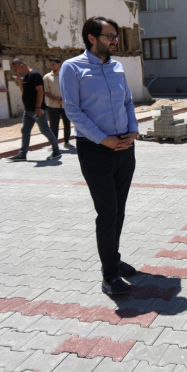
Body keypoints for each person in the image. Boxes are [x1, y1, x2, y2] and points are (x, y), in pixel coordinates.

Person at [60, 16, 139, 296]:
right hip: (95, 149)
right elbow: (73, 110)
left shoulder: (117, 67)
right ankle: (109, 275)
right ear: (92, 38)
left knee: (119, 210)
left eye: (116, 36)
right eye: (110, 36)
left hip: (124, 147)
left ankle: (113, 258)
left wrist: (133, 130)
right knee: (107, 213)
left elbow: (128, 102)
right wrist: (104, 139)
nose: (115, 40)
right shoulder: (72, 68)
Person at [6, 58, 62, 162]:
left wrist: (38, 107)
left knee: (45, 130)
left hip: (36, 110)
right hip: (28, 110)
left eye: (15, 68)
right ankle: (22, 154)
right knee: (25, 130)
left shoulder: (34, 75)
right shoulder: (26, 77)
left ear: (21, 66)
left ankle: (56, 151)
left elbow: (40, 91)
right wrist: (19, 81)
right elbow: (23, 91)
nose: (15, 70)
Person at [44, 57, 72, 148]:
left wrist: (66, 99)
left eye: (53, 64)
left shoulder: (66, 75)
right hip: (52, 106)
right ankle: (54, 144)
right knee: (54, 126)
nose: (51, 66)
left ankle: (67, 142)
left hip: (65, 105)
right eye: (50, 65)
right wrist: (54, 100)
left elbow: (71, 89)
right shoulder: (47, 77)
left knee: (67, 124)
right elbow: (45, 92)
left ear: (59, 64)